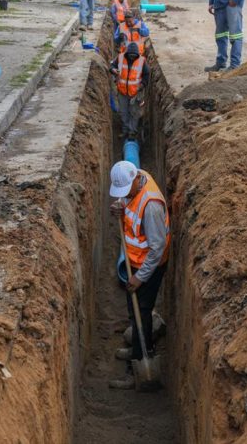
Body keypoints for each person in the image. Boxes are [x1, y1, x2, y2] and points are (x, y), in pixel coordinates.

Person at [107, 161, 170, 390]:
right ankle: (136, 345)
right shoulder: (137, 179)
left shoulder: (151, 206)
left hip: (149, 267)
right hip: (135, 261)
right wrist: (121, 205)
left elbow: (157, 248)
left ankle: (139, 364)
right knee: (134, 311)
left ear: (135, 179)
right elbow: (130, 202)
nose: (125, 195)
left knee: (141, 314)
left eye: (126, 192)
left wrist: (140, 277)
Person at [110, 42, 149, 140]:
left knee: (134, 113)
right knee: (124, 112)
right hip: (122, 91)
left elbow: (146, 75)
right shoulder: (120, 57)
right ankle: (125, 131)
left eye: (134, 56)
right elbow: (111, 66)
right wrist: (113, 70)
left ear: (137, 54)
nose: (132, 57)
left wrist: (142, 85)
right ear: (127, 53)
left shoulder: (142, 61)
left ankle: (132, 132)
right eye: (130, 55)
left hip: (135, 93)